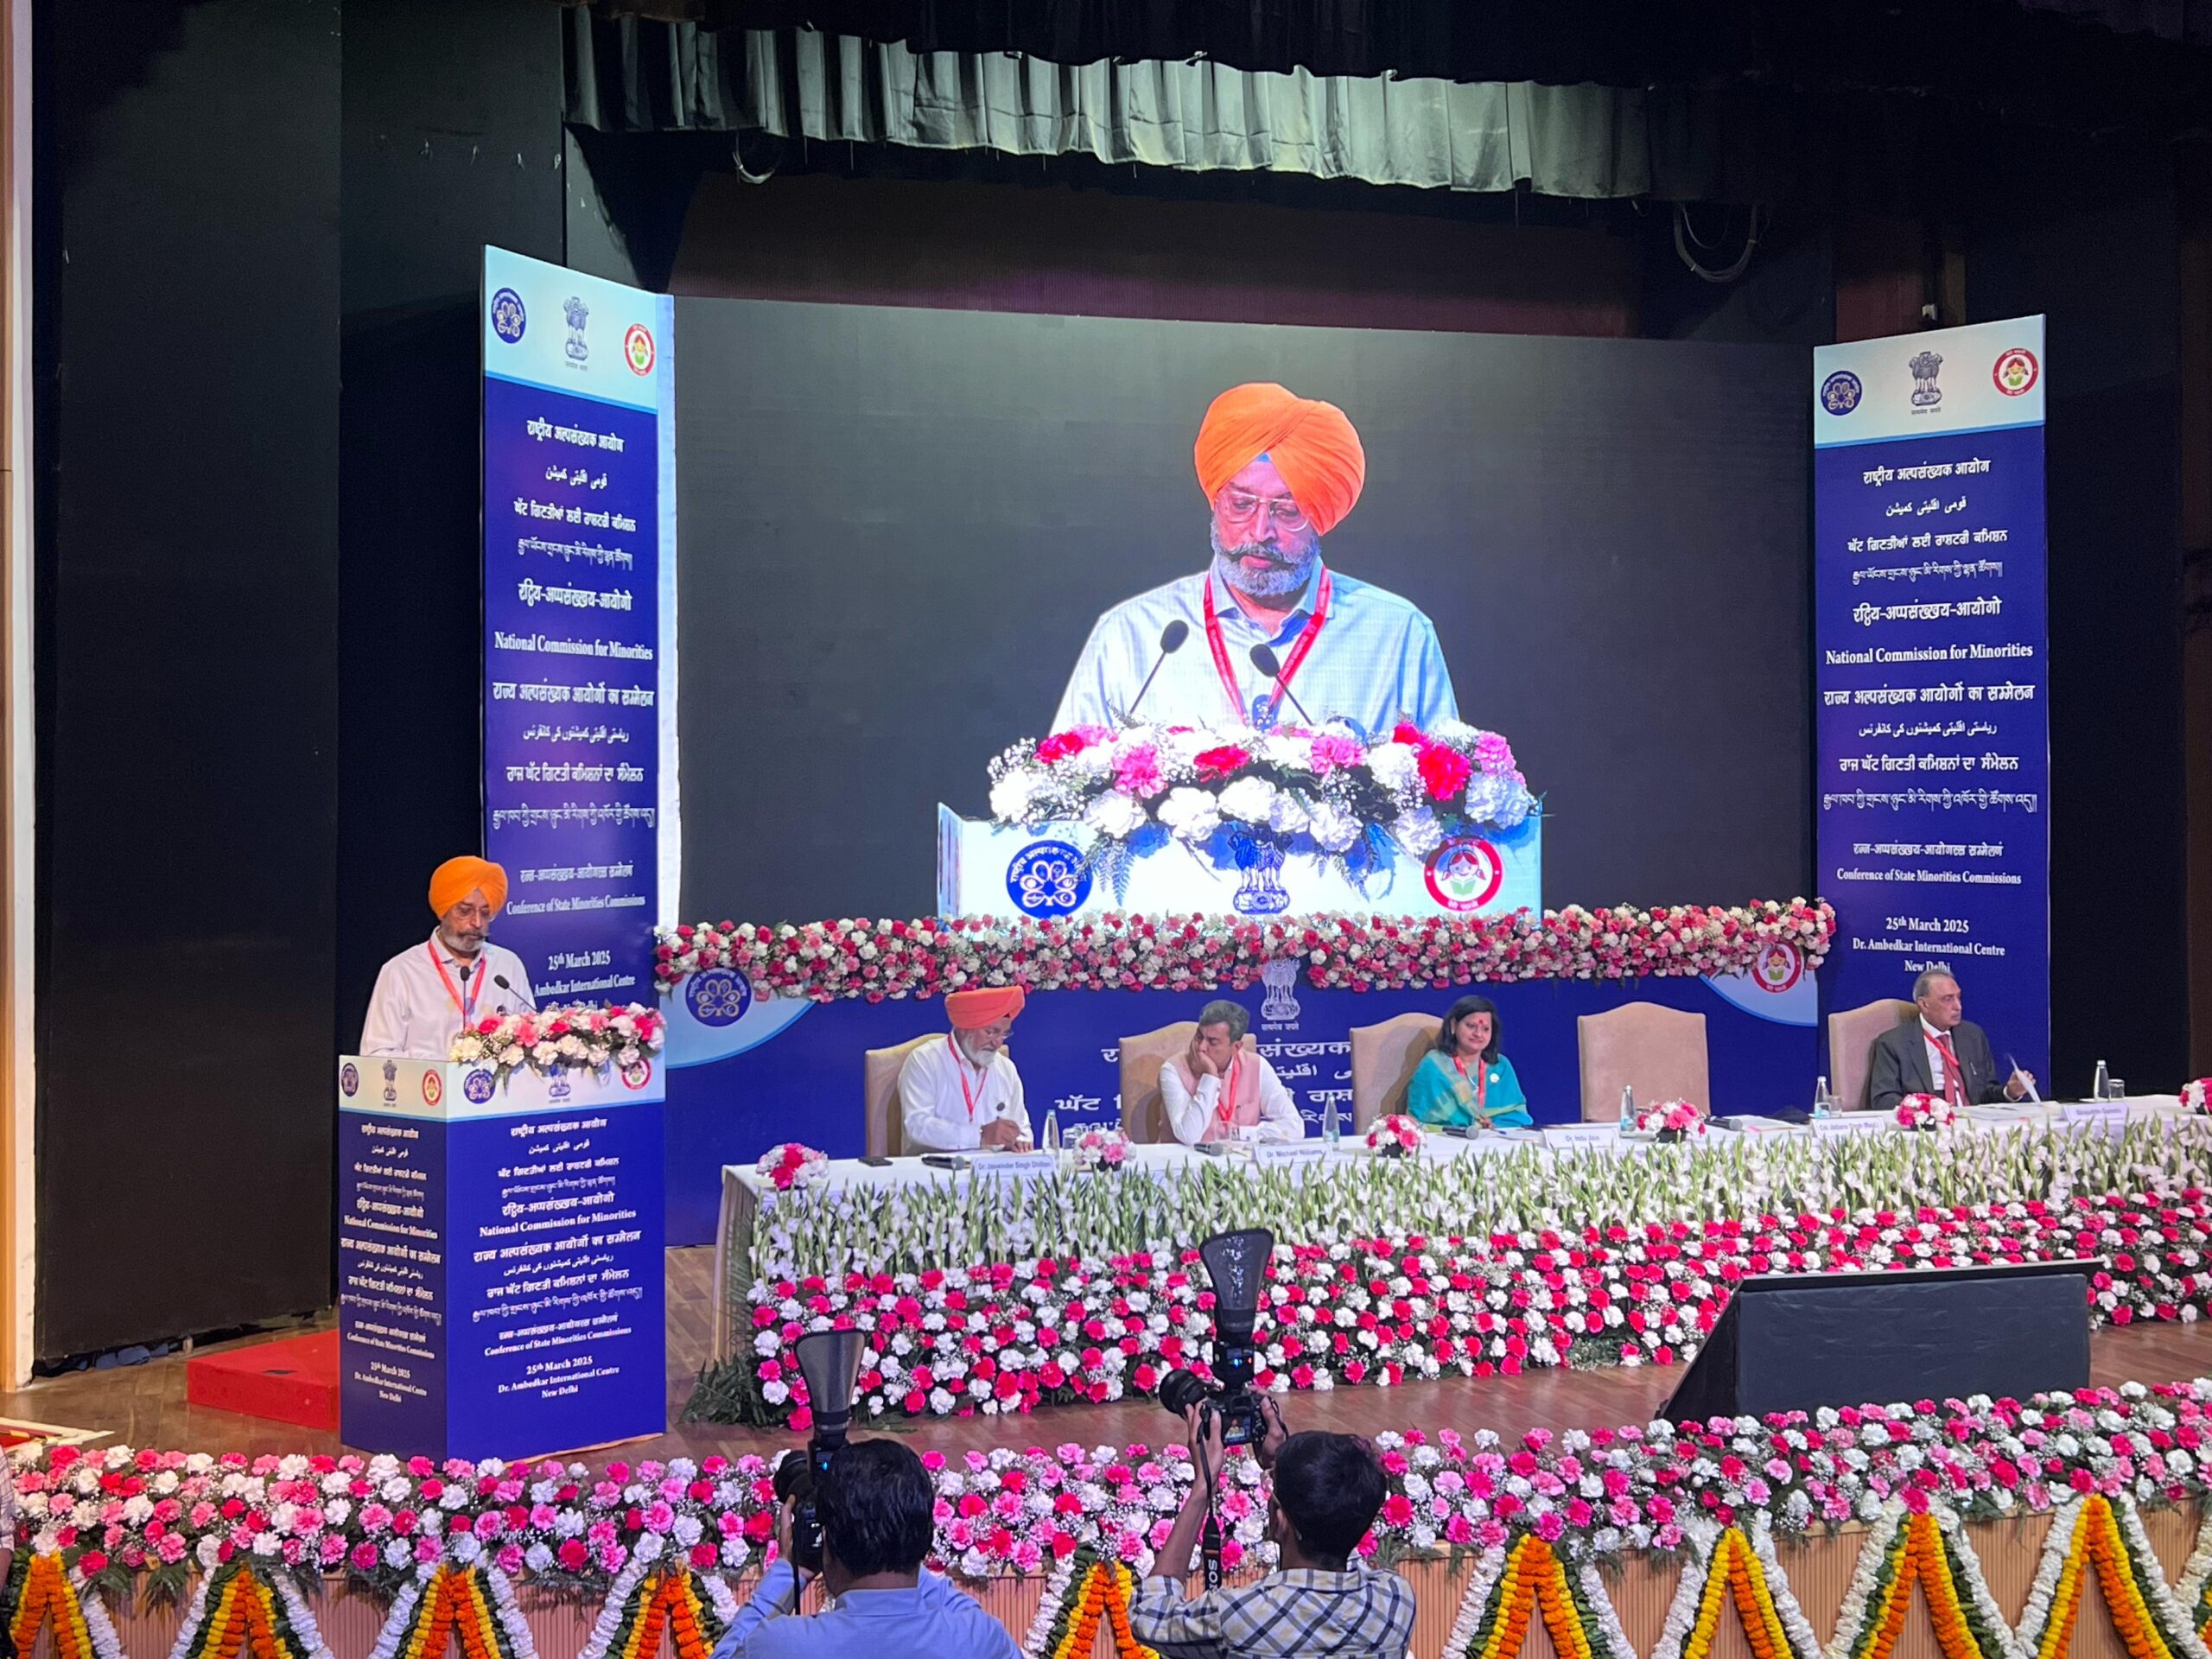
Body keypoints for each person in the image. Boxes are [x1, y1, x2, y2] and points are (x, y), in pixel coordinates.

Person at [1053, 383, 1459, 738]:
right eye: (1242, 504)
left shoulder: (1397, 633)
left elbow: (1445, 790)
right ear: (1216, 502)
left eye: (1288, 510)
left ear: (1321, 517)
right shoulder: (1131, 635)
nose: (1261, 531)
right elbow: (1064, 786)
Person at [1131, 1398, 1416, 1659]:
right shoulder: (1395, 1601)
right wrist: (1287, 1466)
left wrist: (1204, 1487)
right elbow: (1337, 1529)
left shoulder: (1242, 1617)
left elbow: (1148, 1614)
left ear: (1278, 1520)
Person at [712, 1438, 1022, 1659]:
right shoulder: (979, 1640)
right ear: (924, 1539)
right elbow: (955, 1606)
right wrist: (898, 1533)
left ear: (828, 1548)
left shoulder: (779, 1646)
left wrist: (789, 1569)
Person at [359, 856, 536, 1059]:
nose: (477, 922)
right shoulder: (401, 972)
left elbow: (530, 1041)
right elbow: (376, 1055)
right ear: (443, 911)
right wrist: (437, 1065)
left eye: (486, 912)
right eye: (465, 911)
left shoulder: (508, 965)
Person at [1867, 969, 2035, 1115]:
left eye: (1958, 998)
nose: (1958, 1006)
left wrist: (2009, 1092)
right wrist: (1927, 1109)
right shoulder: (1894, 1043)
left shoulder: (1973, 1036)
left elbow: (1986, 1094)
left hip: (1973, 1123)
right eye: (1948, 999)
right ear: (1924, 1004)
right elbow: (1884, 1099)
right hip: (1930, 1125)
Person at [898, 986, 1035, 1152]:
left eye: (1004, 1034)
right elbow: (917, 1125)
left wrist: (1019, 1139)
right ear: (964, 1028)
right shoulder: (925, 1060)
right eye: (991, 1032)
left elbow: (1021, 1125)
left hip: (992, 1164)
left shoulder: (1005, 1068)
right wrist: (980, 1135)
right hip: (936, 1164)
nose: (998, 1042)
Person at [1160, 1000, 1306, 1145]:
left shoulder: (1257, 1066)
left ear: (1236, 1047)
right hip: (1188, 1157)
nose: (1201, 1047)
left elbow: (1294, 1127)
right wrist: (1210, 1076)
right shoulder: (1173, 1069)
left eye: (1212, 1042)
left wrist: (1241, 1134)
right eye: (1199, 1037)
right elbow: (1189, 1136)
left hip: (1242, 1156)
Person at [1406, 995, 1533, 1130]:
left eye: (1485, 1029)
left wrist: (1494, 1125)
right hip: (1446, 1138)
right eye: (1471, 1026)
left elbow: (1517, 1114)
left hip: (1494, 1138)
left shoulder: (1500, 1066)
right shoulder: (1434, 1065)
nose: (1478, 1034)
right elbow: (1418, 1120)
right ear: (1453, 1025)